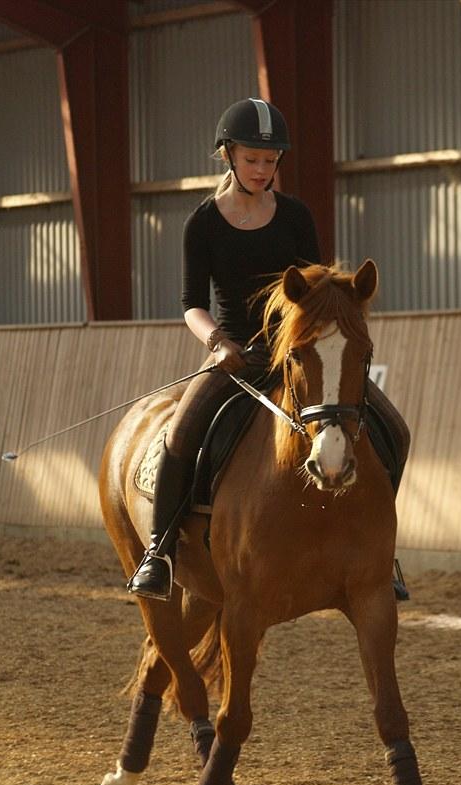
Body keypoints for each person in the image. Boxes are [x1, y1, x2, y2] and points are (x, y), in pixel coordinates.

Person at [128, 98, 410, 601]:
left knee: (394, 430)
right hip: (237, 356)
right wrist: (217, 343)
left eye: (270, 160)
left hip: (300, 353)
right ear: (228, 156)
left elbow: (317, 287)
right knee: (180, 436)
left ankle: (381, 551)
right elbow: (191, 304)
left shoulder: (295, 215)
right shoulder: (204, 223)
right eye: (252, 159)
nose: (262, 170)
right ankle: (160, 551)